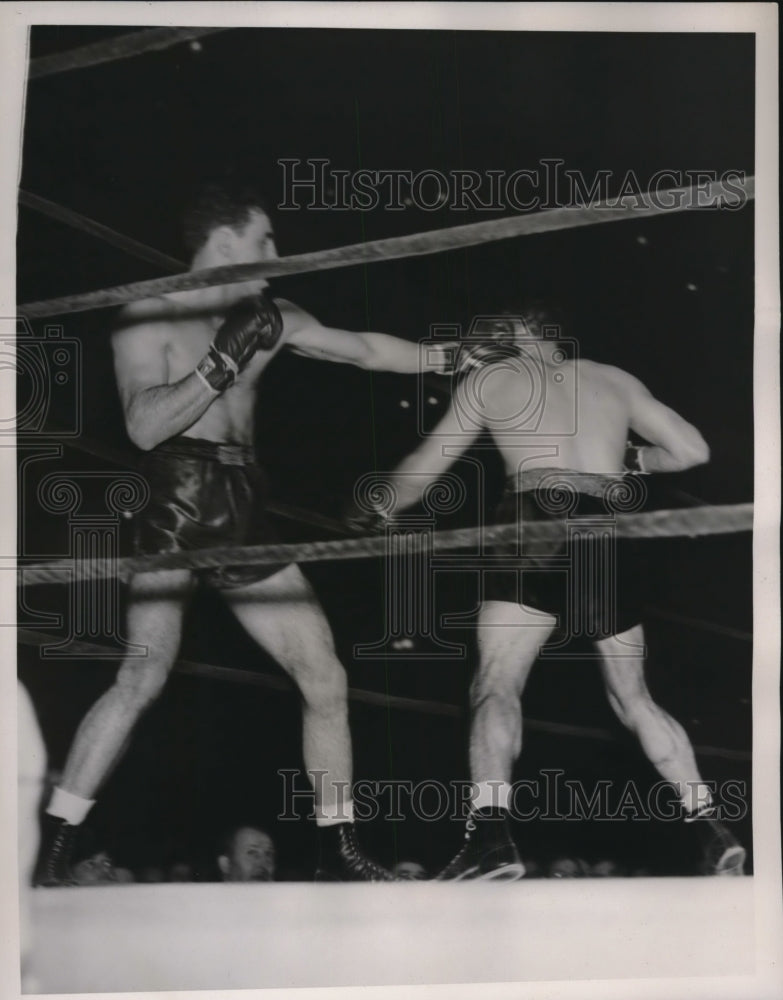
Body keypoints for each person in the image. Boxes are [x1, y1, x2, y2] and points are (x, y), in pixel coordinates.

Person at [35, 178, 466, 886]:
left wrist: (454, 360)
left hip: (243, 503)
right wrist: (221, 360)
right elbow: (144, 426)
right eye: (267, 238)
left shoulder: (273, 314)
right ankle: (52, 849)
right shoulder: (149, 312)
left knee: (323, 672)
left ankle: (338, 852)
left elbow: (360, 350)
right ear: (227, 241)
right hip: (176, 494)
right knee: (142, 673)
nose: (277, 252)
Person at [352, 301, 746, 880]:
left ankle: (491, 839)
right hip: (606, 527)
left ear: (516, 334)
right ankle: (710, 828)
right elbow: (693, 450)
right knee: (633, 698)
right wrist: (633, 456)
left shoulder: (495, 376)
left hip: (535, 518)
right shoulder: (614, 379)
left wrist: (378, 504)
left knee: (497, 684)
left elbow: (426, 467)